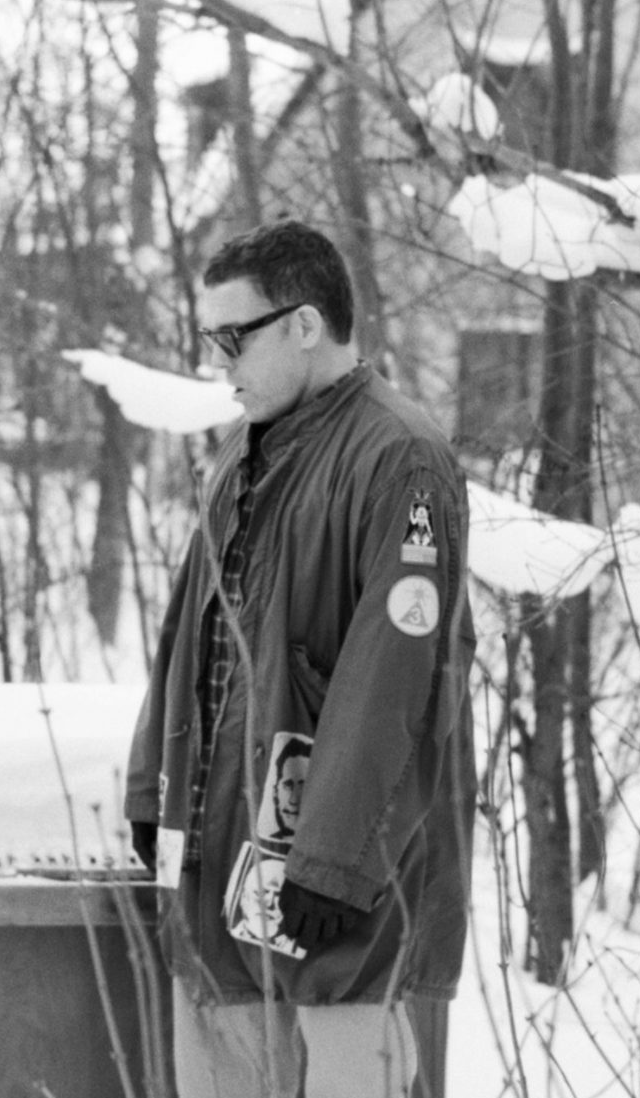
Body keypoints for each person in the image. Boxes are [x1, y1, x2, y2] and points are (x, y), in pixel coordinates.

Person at [125, 219, 477, 1098]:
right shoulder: (243, 453)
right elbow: (190, 632)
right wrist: (152, 786)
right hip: (224, 866)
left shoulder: (399, 457)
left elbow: (396, 676)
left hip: (344, 891)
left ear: (306, 324)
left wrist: (334, 861)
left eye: (233, 337)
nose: (220, 362)